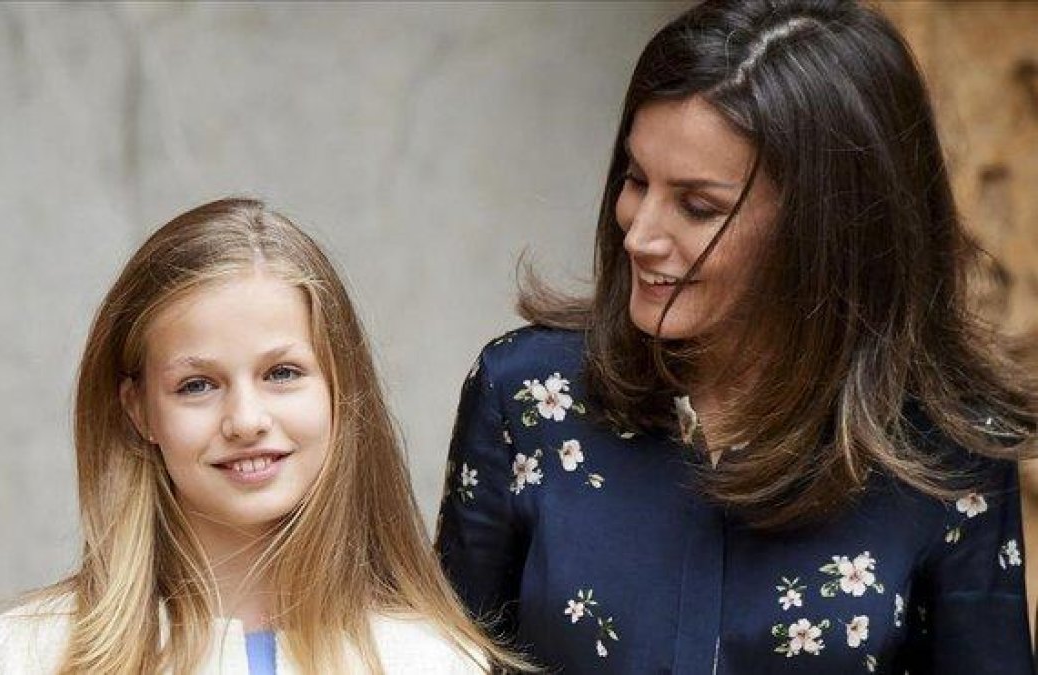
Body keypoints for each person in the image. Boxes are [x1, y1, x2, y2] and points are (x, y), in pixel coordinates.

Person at [436, 1, 1036, 673]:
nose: (639, 235)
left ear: (826, 229)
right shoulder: (526, 398)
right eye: (636, 180)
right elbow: (445, 656)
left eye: (698, 206)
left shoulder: (947, 451)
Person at [0, 198, 524, 674]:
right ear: (139, 411)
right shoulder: (32, 653)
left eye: (281, 373)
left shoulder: (434, 660)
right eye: (196, 385)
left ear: (340, 387)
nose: (245, 419)